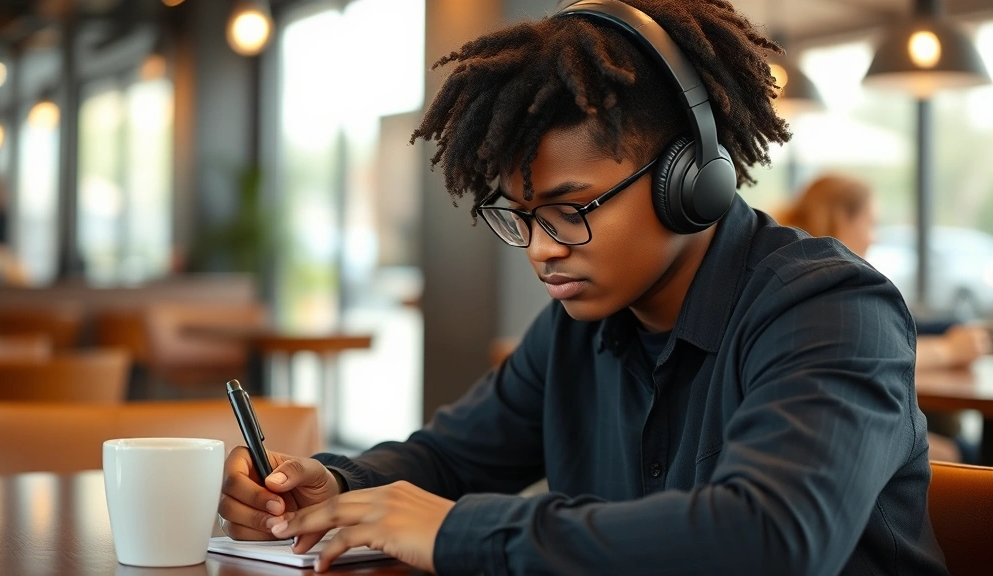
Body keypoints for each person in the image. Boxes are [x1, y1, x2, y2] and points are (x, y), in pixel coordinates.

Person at [218, 1, 948, 574]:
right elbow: (448, 459)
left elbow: (773, 538)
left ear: (688, 180)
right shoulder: (580, 324)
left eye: (570, 211)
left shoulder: (830, 308)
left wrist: (459, 530)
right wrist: (340, 484)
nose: (540, 250)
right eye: (523, 218)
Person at [779, 173, 992, 463]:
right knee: (965, 454)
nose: (875, 236)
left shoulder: (797, 267)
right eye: (871, 223)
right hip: (839, 437)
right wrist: (949, 350)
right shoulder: (828, 283)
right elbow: (869, 352)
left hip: (830, 430)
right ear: (842, 219)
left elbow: (892, 331)